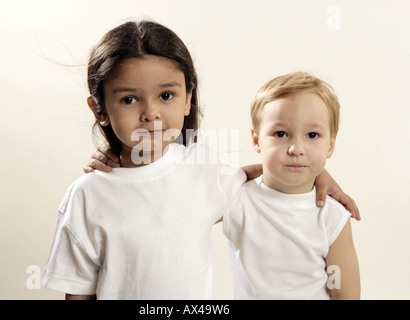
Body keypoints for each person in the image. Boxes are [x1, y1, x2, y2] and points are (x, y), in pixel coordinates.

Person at [44, 19, 359, 300]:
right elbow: (79, 290)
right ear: (99, 109)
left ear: (187, 99)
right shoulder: (86, 196)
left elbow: (267, 178)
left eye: (166, 95)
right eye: (129, 99)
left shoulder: (202, 167)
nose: (151, 112)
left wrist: (319, 175)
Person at [223, 71, 360, 299]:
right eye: (281, 133)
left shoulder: (331, 217)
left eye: (312, 135)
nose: (296, 148)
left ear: (330, 144)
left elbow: (345, 294)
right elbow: (189, 203)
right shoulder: (237, 199)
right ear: (257, 140)